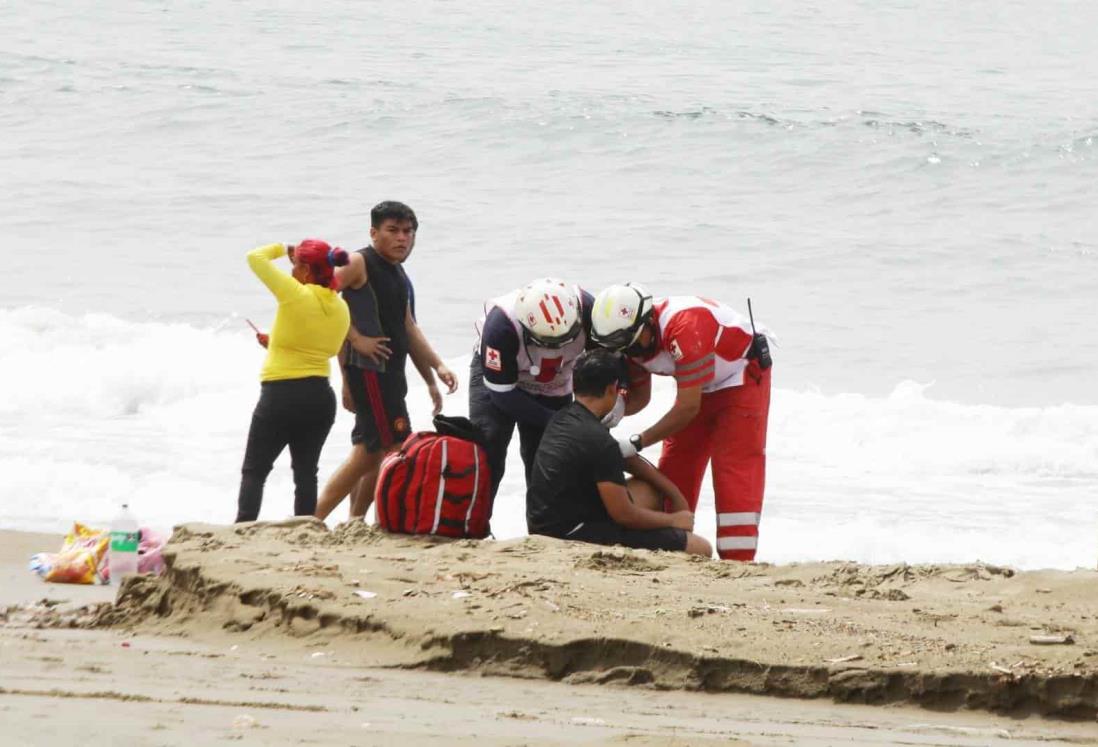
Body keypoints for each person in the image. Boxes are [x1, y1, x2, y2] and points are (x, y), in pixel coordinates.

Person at [589, 284, 772, 561]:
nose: (630, 352)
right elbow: (641, 396)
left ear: (647, 322)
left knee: (733, 470)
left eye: (633, 343)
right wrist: (617, 410)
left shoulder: (686, 327)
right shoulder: (630, 340)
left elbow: (688, 407)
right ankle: (673, 547)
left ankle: (738, 559)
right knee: (676, 465)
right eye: (621, 348)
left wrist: (638, 442)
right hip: (698, 387)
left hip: (740, 379)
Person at [314, 201, 457, 521]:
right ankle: (315, 517)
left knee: (372, 449)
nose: (402, 238)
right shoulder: (358, 262)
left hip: (389, 376)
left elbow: (408, 326)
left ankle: (353, 520)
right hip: (370, 374)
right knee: (381, 450)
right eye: (393, 231)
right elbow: (319, 299)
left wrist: (437, 368)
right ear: (373, 232)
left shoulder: (398, 272)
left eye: (408, 232)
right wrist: (355, 339)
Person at [526, 350, 711, 556]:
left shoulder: (562, 418)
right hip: (570, 535)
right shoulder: (599, 441)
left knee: (648, 490)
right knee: (701, 548)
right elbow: (625, 515)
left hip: (542, 525)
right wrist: (674, 520)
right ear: (612, 390)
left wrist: (673, 493)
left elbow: (625, 459)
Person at [236, 240, 351, 522]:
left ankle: (243, 527)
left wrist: (281, 248)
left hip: (281, 395)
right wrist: (275, 343)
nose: (291, 271)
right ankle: (305, 528)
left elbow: (255, 257)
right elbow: (320, 347)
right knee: (305, 472)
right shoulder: (341, 306)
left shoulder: (295, 295)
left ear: (306, 269)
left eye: (295, 264)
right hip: (320, 397)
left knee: (255, 470)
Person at [468, 278, 594, 505]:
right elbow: (502, 394)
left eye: (566, 339)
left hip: (557, 374)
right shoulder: (500, 326)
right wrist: (556, 419)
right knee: (489, 443)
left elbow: (603, 365)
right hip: (503, 376)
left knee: (549, 454)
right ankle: (475, 524)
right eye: (549, 342)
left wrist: (617, 399)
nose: (557, 347)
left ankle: (545, 528)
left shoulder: (588, 310)